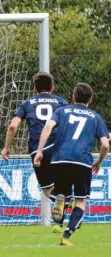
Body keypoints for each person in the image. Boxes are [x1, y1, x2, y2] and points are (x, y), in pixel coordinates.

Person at [34, 83, 109, 246]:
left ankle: (61, 205)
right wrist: (98, 162)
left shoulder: (62, 111)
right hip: (82, 161)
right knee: (81, 202)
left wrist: (39, 151)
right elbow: (105, 145)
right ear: (90, 99)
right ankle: (66, 237)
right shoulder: (95, 117)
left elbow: (48, 127)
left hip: (59, 159)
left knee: (61, 193)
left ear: (73, 98)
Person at [1, 72, 69, 232]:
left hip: (39, 148)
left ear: (34, 89)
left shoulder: (27, 103)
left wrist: (7, 147)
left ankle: (61, 201)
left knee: (47, 188)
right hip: (59, 147)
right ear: (53, 88)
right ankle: (65, 203)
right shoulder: (60, 102)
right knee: (62, 183)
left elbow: (13, 126)